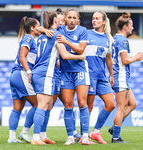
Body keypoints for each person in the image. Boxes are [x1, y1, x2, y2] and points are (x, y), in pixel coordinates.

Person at [30, 11, 86, 145]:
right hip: (45, 74)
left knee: (47, 105)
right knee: (42, 106)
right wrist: (80, 57)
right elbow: (65, 55)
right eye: (58, 20)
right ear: (55, 21)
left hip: (37, 72)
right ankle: (35, 138)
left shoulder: (42, 35)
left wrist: (42, 28)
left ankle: (42, 136)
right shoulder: (56, 35)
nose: (61, 22)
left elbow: (37, 28)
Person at [110, 11, 143, 143]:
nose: (133, 27)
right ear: (125, 27)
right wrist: (136, 58)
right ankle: (116, 137)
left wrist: (135, 57)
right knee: (121, 108)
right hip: (121, 77)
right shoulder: (123, 40)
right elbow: (125, 61)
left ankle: (115, 126)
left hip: (120, 76)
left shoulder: (115, 38)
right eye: (131, 25)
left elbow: (124, 59)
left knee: (133, 104)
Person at [56, 8, 91, 145]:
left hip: (80, 70)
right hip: (66, 72)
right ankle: (70, 136)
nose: (71, 20)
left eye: (74, 18)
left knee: (82, 103)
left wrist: (67, 41)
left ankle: (85, 136)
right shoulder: (60, 30)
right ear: (65, 18)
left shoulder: (82, 31)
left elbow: (80, 50)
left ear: (78, 19)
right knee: (68, 104)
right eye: (69, 17)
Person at [83, 11, 115, 144]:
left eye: (97, 19)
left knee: (111, 104)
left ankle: (95, 132)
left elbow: (108, 58)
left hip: (101, 77)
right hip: (89, 76)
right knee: (89, 107)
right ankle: (83, 135)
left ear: (103, 22)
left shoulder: (108, 39)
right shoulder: (86, 34)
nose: (94, 21)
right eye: (93, 18)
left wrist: (111, 75)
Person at [8, 16, 40, 143]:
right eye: (38, 26)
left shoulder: (30, 39)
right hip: (21, 73)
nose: (40, 28)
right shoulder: (29, 38)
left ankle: (11, 138)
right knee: (38, 104)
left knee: (17, 108)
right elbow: (22, 57)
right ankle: (25, 132)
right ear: (32, 28)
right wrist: (29, 72)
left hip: (15, 75)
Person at [53, 8, 81, 142]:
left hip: (64, 73)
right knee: (48, 104)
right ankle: (38, 133)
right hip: (55, 75)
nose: (60, 22)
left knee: (68, 103)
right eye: (57, 20)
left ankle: (74, 132)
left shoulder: (68, 31)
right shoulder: (55, 32)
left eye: (61, 20)